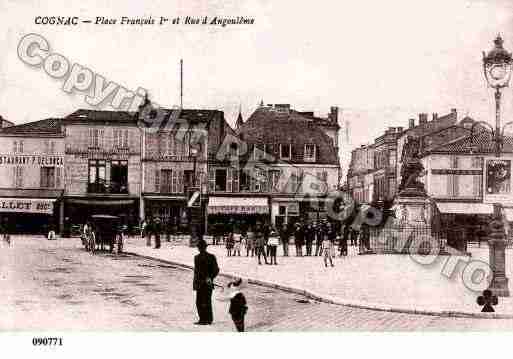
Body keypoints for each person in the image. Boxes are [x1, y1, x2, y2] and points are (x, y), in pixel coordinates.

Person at [193, 239, 219, 325]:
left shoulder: (209, 257)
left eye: (200, 247)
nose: (200, 249)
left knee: (202, 302)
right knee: (203, 301)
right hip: (204, 283)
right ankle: (206, 319)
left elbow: (215, 270)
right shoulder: (198, 258)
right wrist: (210, 278)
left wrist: (210, 277)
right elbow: (197, 272)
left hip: (204, 283)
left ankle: (205, 319)